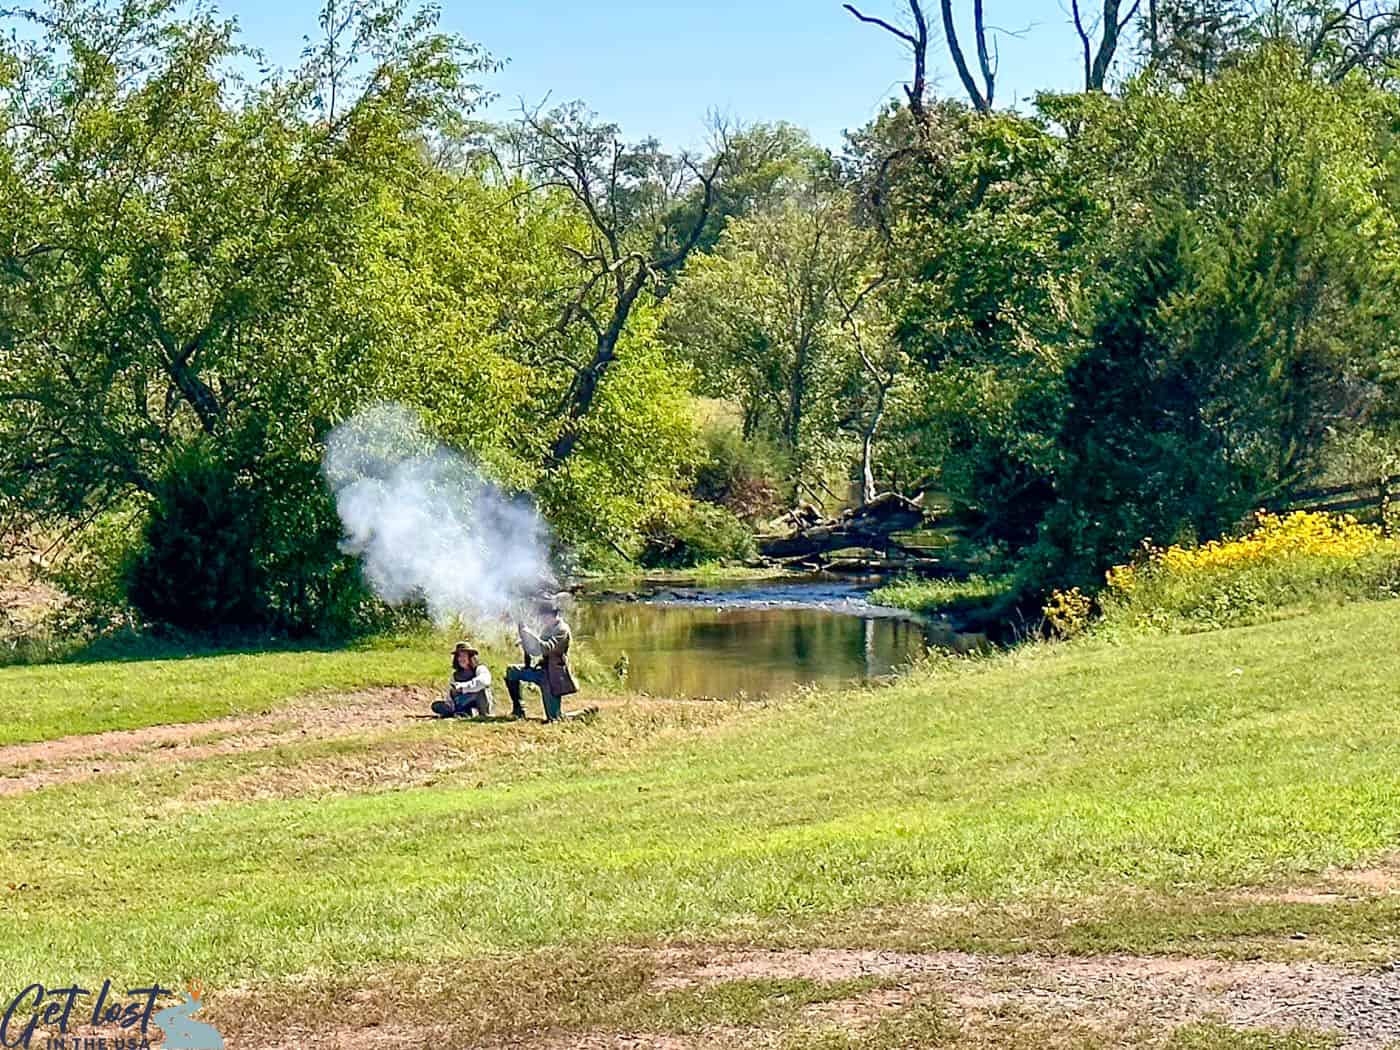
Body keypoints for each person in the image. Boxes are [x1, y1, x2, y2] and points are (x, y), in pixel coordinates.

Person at [505, 598, 578, 723]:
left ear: (552, 615)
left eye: (544, 616)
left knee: (554, 719)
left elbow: (546, 648)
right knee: (512, 672)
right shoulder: (548, 628)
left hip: (553, 676)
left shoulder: (562, 630)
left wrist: (529, 635)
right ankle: (519, 709)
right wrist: (526, 642)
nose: (542, 619)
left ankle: (580, 714)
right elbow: (536, 651)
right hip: (542, 671)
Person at [431, 642, 494, 719]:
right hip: (463, 701)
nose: (461, 659)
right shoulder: (455, 676)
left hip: (480, 700)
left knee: (481, 691)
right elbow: (450, 694)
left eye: (464, 656)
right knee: (436, 705)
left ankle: (484, 715)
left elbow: (483, 682)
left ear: (470, 657)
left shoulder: (480, 669)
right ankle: (460, 713)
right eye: (459, 656)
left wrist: (463, 688)